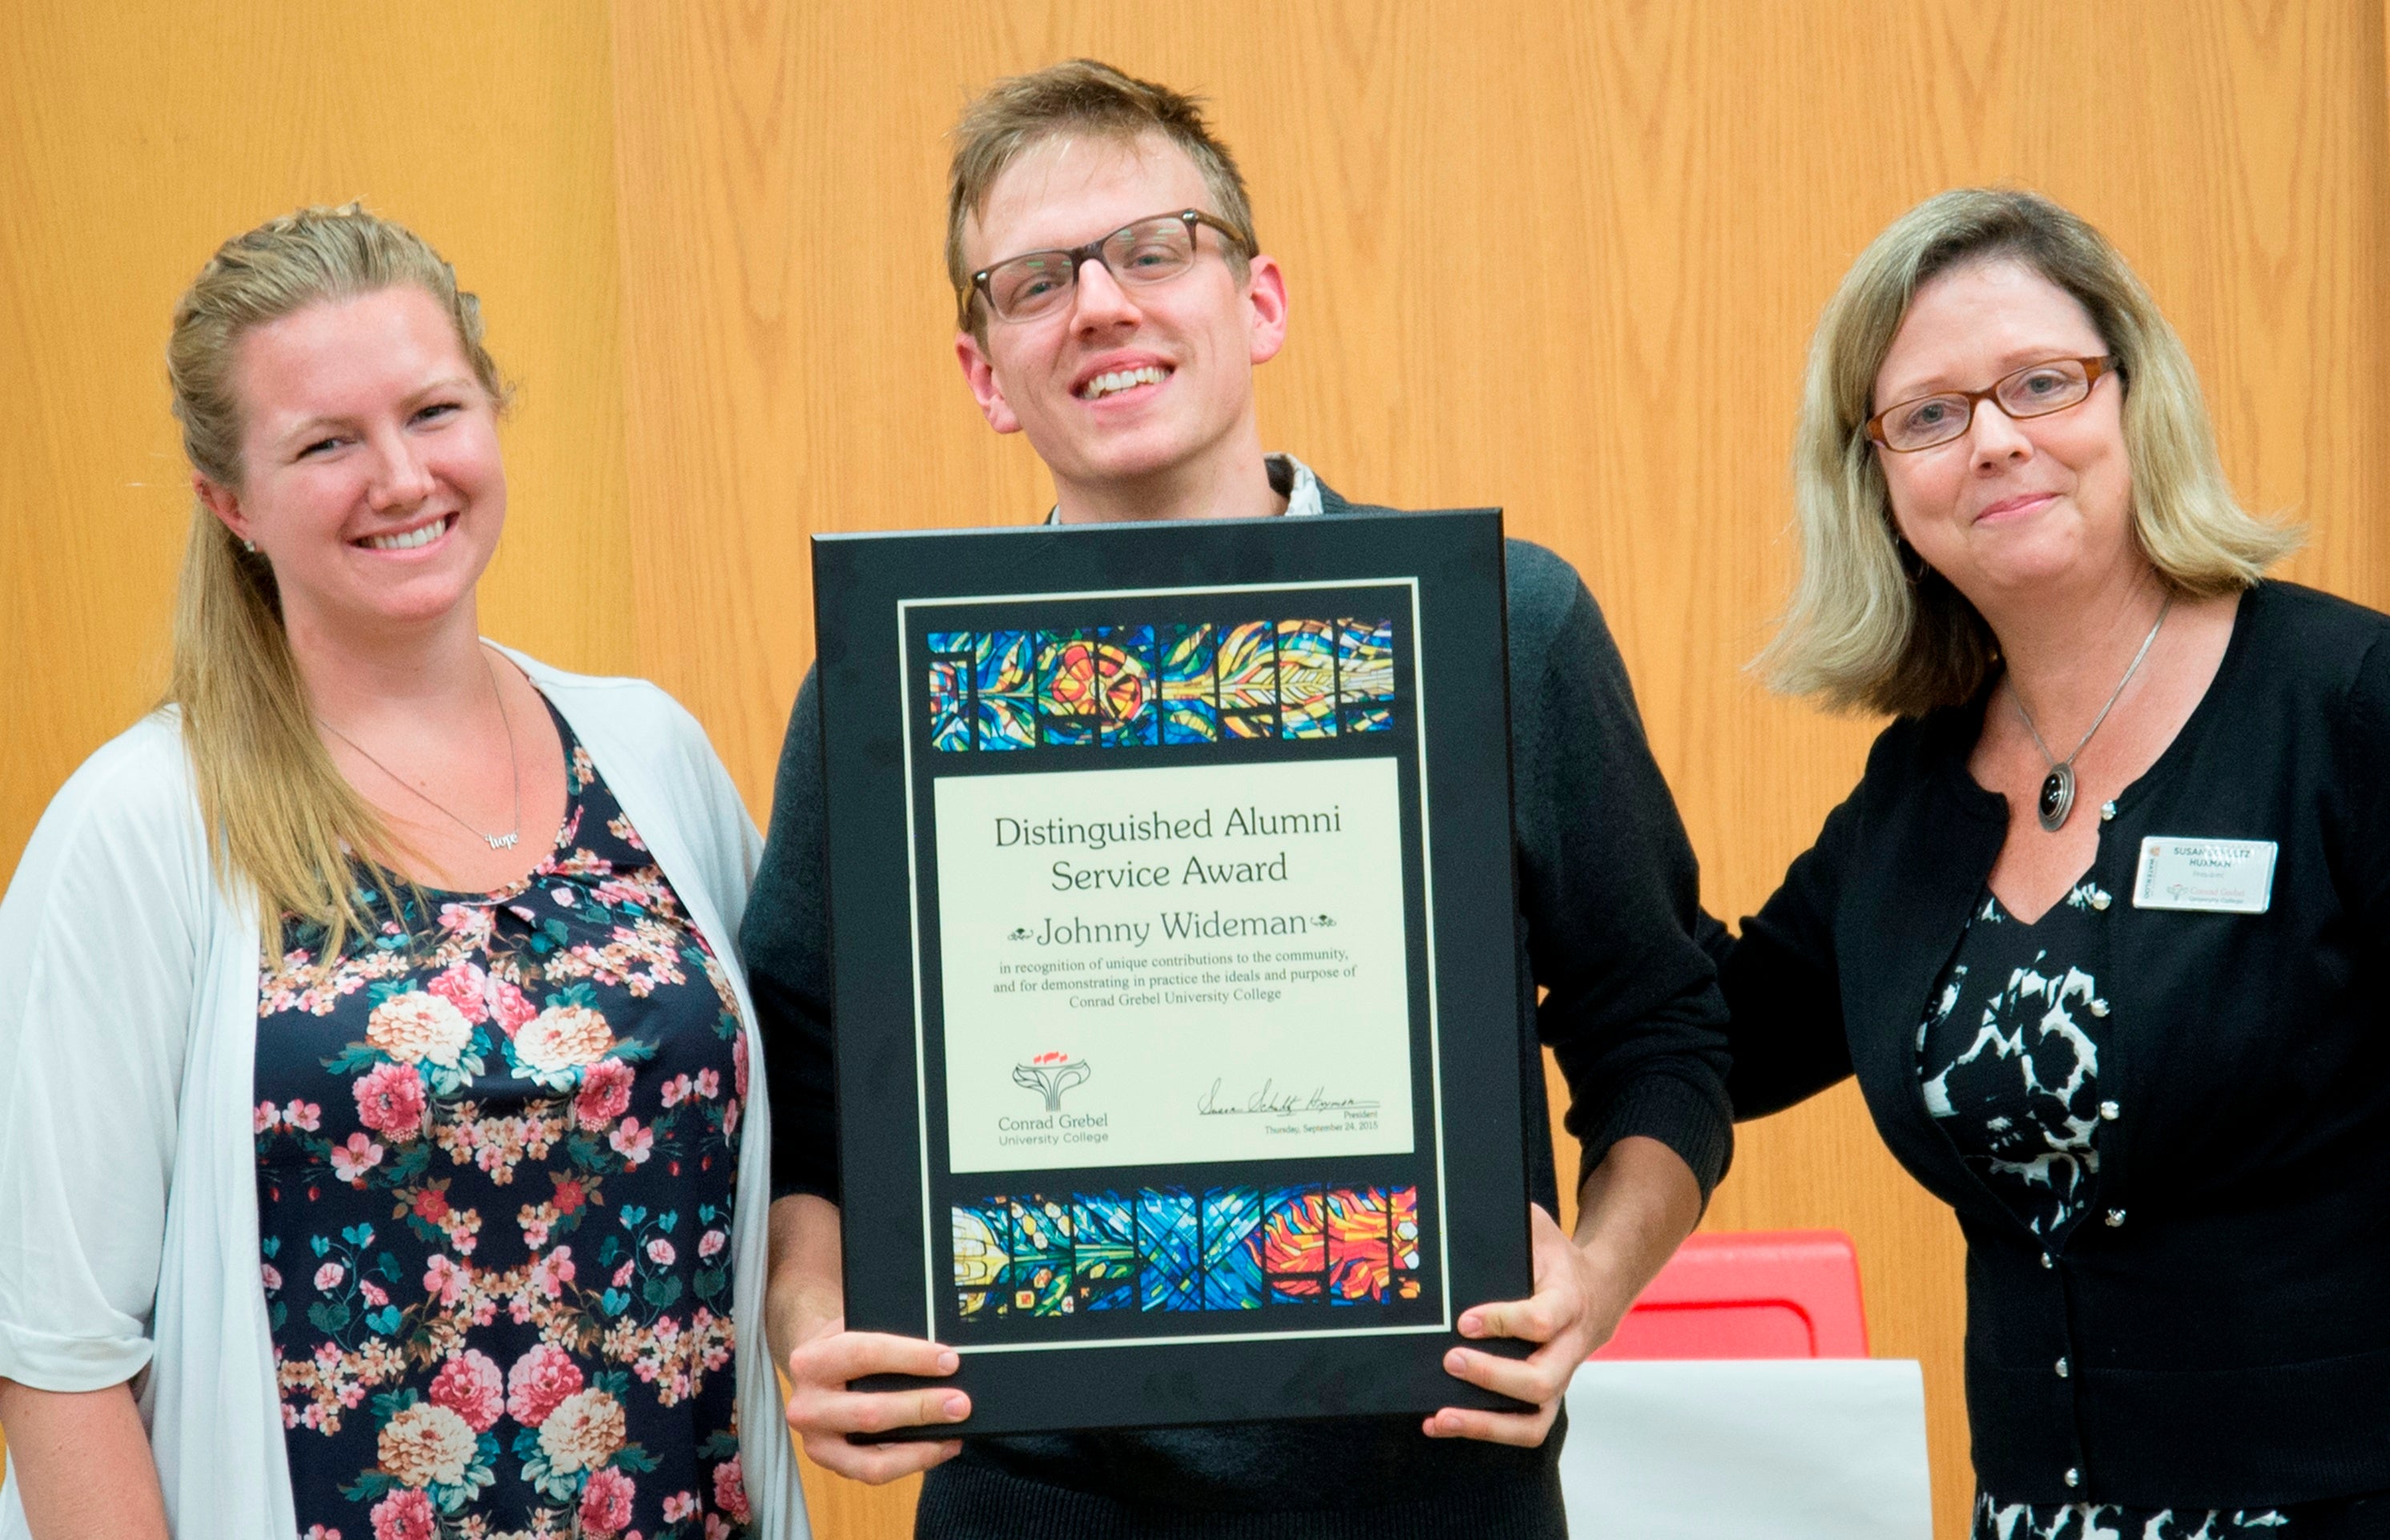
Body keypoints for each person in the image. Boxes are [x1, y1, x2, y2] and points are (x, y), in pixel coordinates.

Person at [742, 59, 1731, 1539]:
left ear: (1257, 301)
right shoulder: (891, 683)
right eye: (1032, 283)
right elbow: (804, 1094)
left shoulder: (1495, 631)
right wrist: (806, 1316)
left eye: (1153, 250)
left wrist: (1590, 1275)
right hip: (1033, 1504)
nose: (1100, 306)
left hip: (1438, 1495)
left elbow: (1660, 1029)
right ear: (984, 374)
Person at [0, 207, 802, 1538]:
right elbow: (59, 1355)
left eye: (434, 411)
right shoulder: (139, 826)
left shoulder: (651, 753)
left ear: (492, 414)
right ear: (230, 500)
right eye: (326, 442)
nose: (400, 476)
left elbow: (802, 1153)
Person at [1713, 187, 2390, 1536]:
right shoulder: (1918, 787)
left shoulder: (2344, 704)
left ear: (2134, 399)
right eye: (1930, 414)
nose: (1997, 442)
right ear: (1881, 480)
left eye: (2043, 382)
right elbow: (1715, 1027)